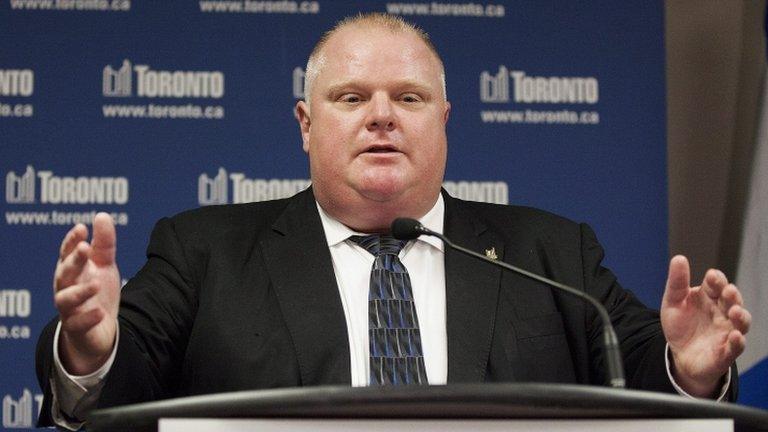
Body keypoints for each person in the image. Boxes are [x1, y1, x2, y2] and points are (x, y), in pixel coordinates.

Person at [36, 12, 751, 429]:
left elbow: (645, 387)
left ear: (444, 123)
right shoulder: (203, 253)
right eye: (352, 97)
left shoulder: (553, 251)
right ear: (306, 125)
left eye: (408, 99)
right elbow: (115, 392)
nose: (381, 115)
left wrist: (687, 372)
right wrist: (94, 347)